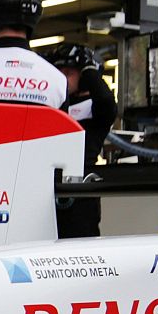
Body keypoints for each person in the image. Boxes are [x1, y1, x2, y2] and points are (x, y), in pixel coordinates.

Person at [47, 43, 117, 237]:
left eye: (68, 73)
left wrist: (89, 71)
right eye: (58, 73)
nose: (62, 78)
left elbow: (107, 102)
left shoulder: (96, 107)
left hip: (81, 194)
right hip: (47, 191)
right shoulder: (54, 104)